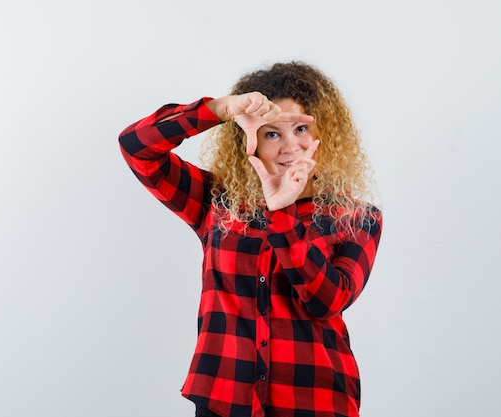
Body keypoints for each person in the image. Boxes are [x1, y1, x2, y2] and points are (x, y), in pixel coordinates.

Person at [118, 61, 382, 417]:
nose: (290, 147)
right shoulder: (216, 202)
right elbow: (137, 147)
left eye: (301, 128)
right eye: (272, 133)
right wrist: (219, 109)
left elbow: (327, 301)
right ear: (250, 141)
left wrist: (284, 213)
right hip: (224, 399)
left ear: (327, 134)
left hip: (313, 400)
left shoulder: (356, 217)